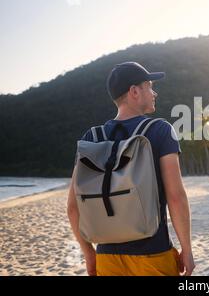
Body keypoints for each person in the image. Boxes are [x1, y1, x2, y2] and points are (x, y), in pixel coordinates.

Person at [67, 61, 195, 276]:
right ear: (134, 91)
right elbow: (176, 197)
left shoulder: (92, 137)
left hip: (107, 258)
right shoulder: (160, 130)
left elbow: (73, 207)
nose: (154, 93)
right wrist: (188, 249)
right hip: (154, 255)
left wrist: (89, 254)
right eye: (150, 86)